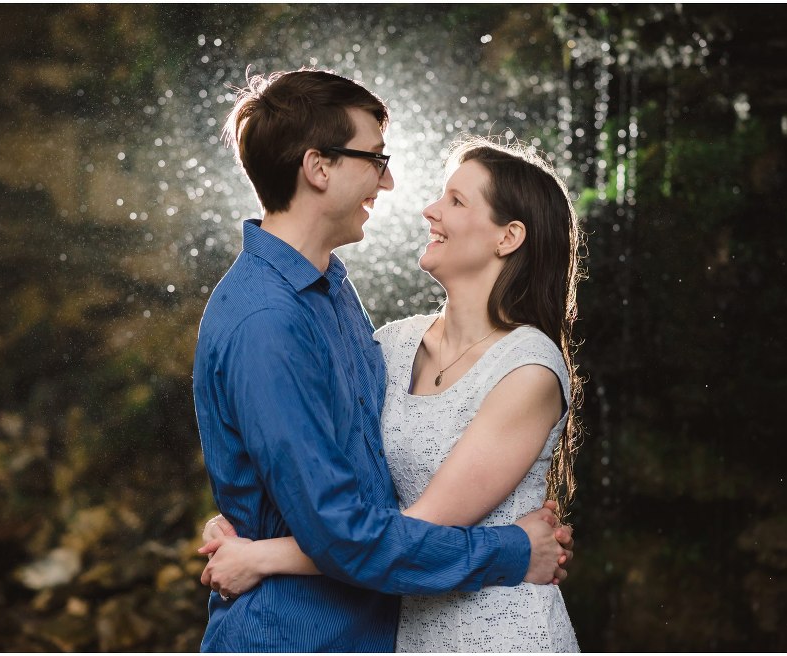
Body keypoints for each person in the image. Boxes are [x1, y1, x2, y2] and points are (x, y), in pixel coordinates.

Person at [192, 69, 572, 652]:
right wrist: (513, 550)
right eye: (374, 158)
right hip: (297, 635)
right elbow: (342, 529)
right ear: (319, 169)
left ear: (509, 237)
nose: (392, 182)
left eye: (455, 199)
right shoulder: (269, 322)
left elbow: (357, 493)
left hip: (386, 628)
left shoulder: (331, 291)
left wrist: (264, 549)